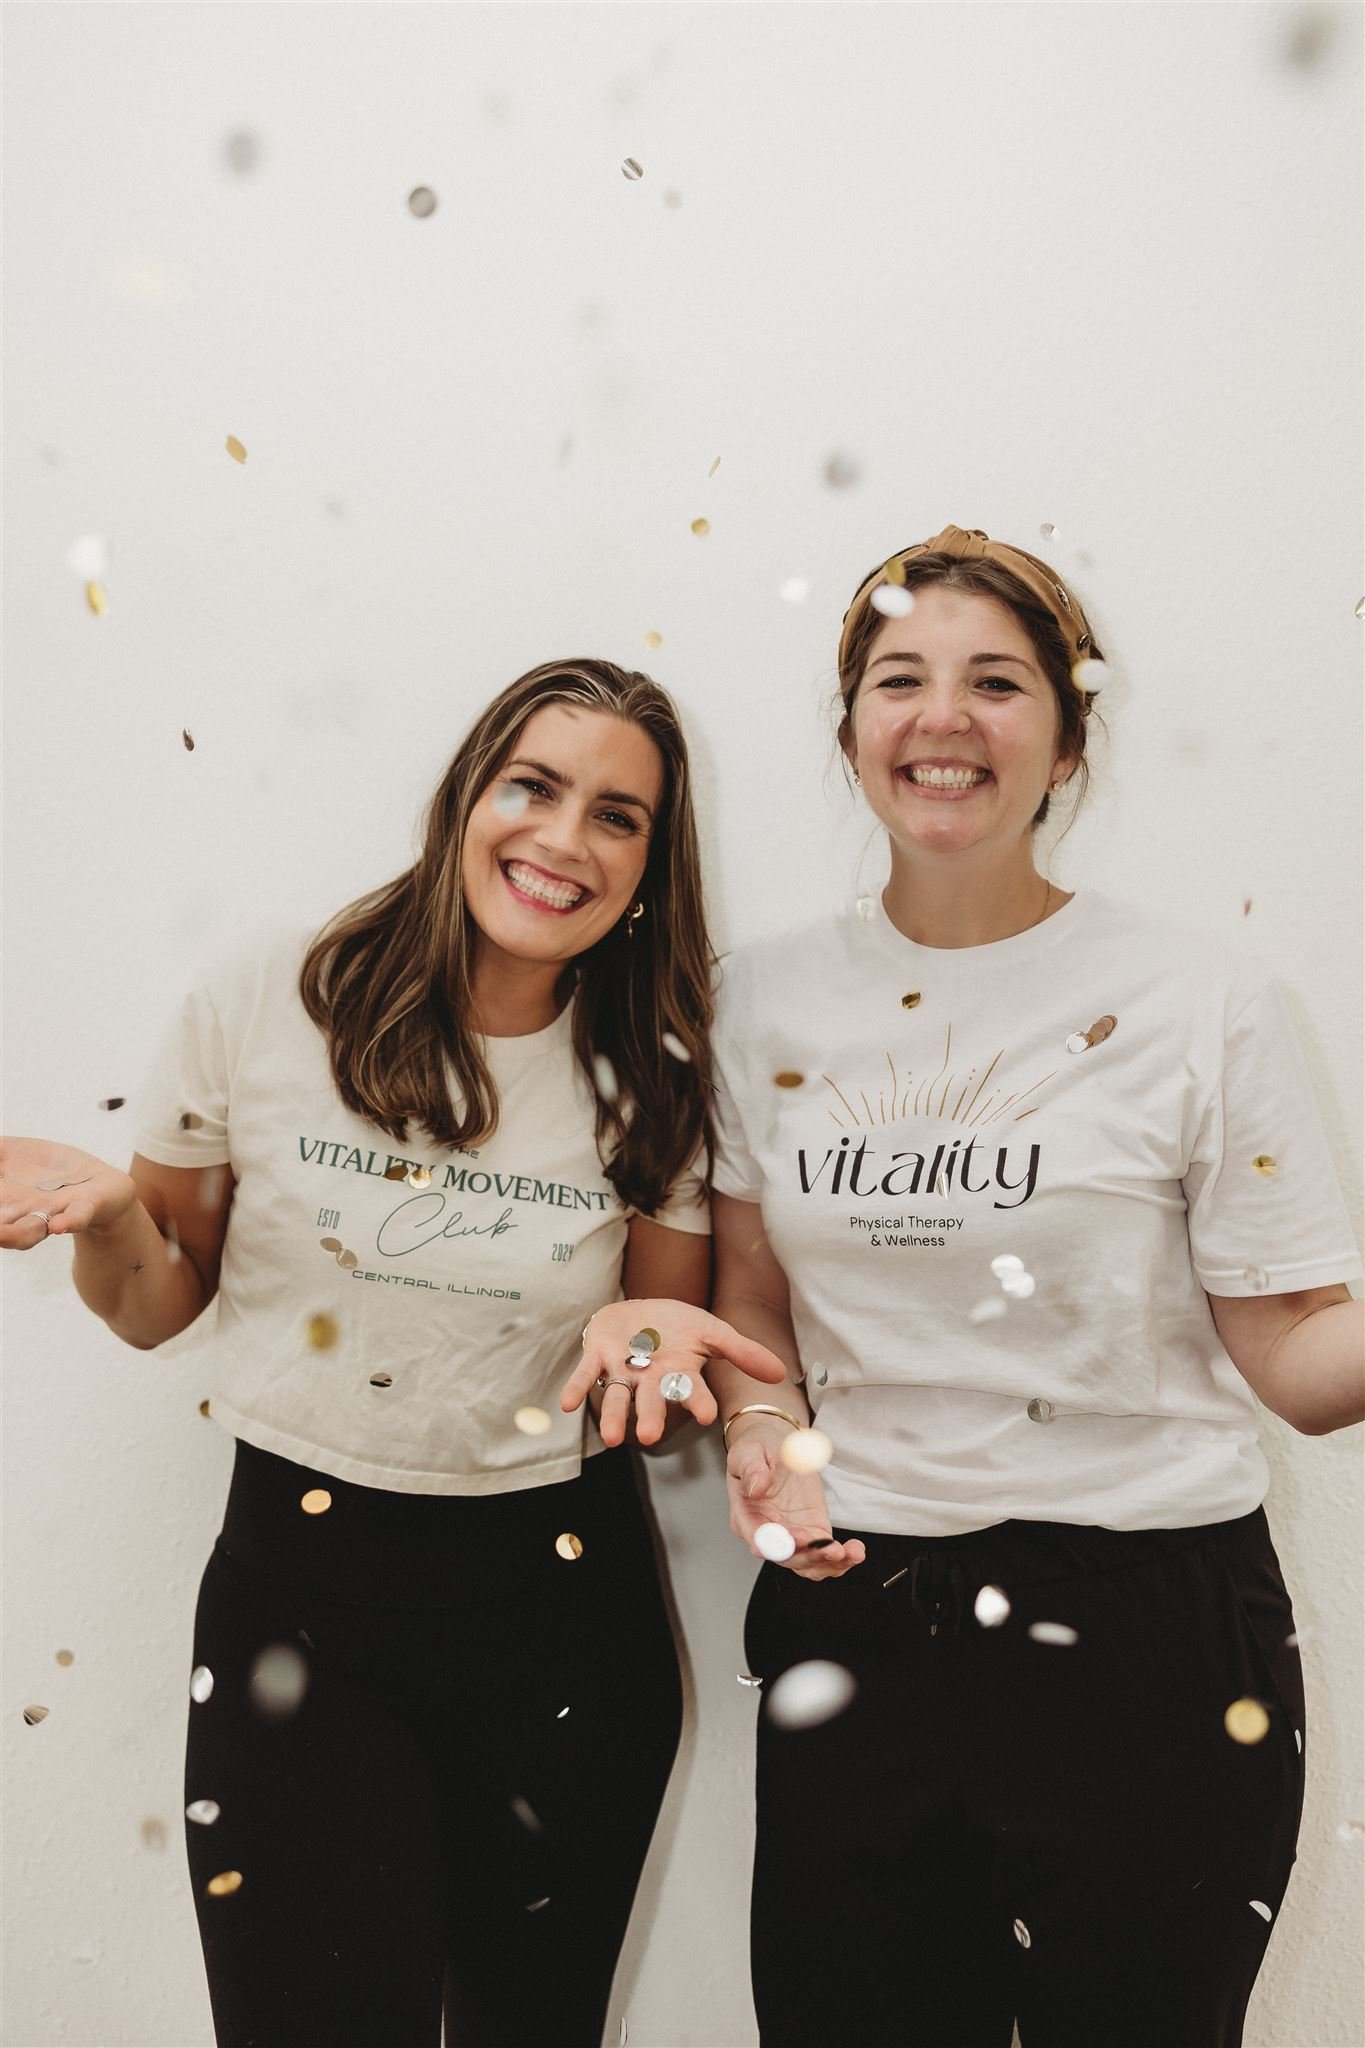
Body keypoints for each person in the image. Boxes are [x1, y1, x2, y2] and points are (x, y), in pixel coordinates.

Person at [565, 529, 1365, 2048]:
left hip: (1145, 1625)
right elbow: (756, 1317)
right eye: (898, 681)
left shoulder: (1206, 1003)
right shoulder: (759, 1001)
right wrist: (759, 1435)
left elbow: (1301, 1362)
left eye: (995, 682)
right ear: (851, 727)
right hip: (860, 1619)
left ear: (1066, 739)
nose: (944, 719)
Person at [1, 656, 784, 2048]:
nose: (561, 840)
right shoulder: (273, 990)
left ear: (653, 865)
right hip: (298, 1604)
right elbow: (153, 1304)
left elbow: (663, 1398)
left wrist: (648, 1343)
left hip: (564, 1618)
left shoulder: (657, 1065)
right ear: (464, 798)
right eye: (533, 786)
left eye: (617, 817)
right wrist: (113, 1218)